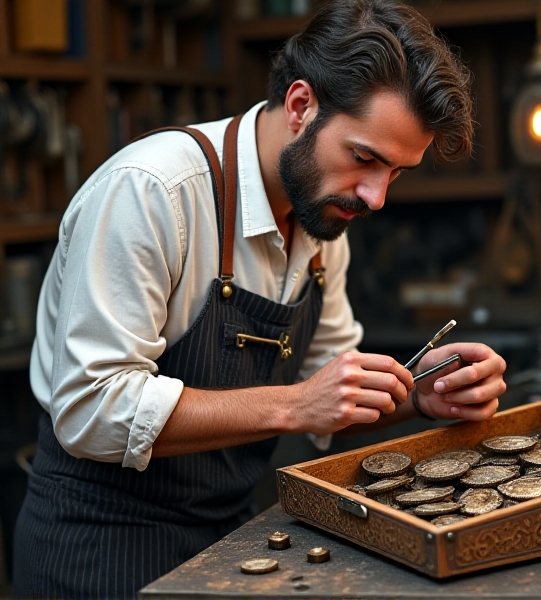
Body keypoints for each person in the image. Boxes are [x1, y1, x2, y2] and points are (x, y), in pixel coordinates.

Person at [13, 0, 507, 597]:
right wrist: (297, 405)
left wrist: (418, 392)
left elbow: (332, 389)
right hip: (99, 546)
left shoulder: (323, 215)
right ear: (301, 106)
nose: (376, 197)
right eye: (364, 158)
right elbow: (92, 408)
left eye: (396, 172)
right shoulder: (152, 193)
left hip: (230, 538)